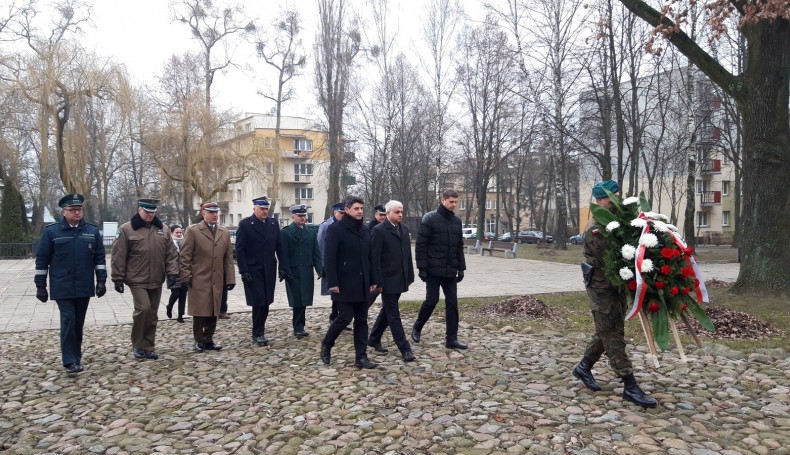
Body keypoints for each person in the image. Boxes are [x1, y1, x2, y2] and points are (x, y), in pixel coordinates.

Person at [573, 179, 658, 408]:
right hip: (601, 288)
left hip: (615, 286)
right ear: (601, 200)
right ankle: (630, 385)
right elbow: (615, 257)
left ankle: (583, 367)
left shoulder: (613, 221)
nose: (617, 201)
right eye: (612, 198)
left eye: (618, 196)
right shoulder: (596, 228)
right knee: (613, 334)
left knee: (607, 329)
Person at [34, 194, 106, 373]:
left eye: (79, 209)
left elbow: (100, 258)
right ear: (63, 212)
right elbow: (42, 260)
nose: (77, 212)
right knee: (68, 320)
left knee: (78, 323)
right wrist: (40, 286)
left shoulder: (92, 231)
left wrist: (101, 281)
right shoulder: (52, 232)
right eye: (73, 210)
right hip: (62, 286)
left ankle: (76, 357)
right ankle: (69, 360)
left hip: (83, 285)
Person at [111, 198, 179, 360]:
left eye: (152, 212)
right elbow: (118, 255)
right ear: (139, 210)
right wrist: (117, 277)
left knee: (153, 314)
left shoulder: (163, 229)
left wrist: (172, 274)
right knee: (144, 309)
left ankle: (148, 346)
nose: (149, 215)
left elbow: (171, 254)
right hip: (136, 278)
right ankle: (138, 344)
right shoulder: (126, 229)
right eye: (146, 212)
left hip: (156, 277)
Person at [320, 195, 378, 369]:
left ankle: (361, 357)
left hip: (362, 283)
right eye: (356, 209)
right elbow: (329, 259)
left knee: (362, 319)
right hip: (344, 282)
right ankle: (327, 344)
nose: (360, 212)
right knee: (344, 318)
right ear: (347, 210)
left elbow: (370, 257)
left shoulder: (366, 230)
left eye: (361, 208)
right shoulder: (335, 229)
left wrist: (373, 279)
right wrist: (333, 282)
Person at [412, 189, 467, 350]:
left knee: (452, 303)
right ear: (443, 200)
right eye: (451, 201)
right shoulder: (430, 218)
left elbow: (459, 246)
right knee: (432, 300)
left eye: (456, 202)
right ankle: (417, 326)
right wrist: (422, 268)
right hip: (433, 269)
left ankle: (451, 338)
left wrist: (461, 268)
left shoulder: (457, 221)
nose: (454, 205)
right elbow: (421, 245)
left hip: (450, 269)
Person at [179, 202, 236, 352]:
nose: (215, 215)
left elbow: (228, 259)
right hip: (199, 277)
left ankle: (209, 338)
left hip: (217, 278)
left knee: (214, 309)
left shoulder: (223, 232)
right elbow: (185, 256)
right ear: (203, 213)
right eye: (211, 212)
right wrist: (186, 276)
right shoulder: (194, 231)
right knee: (200, 310)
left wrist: (230, 278)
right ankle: (199, 339)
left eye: (216, 212)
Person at [235, 196, 290, 346]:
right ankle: (258, 333)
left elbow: (280, 247)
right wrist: (243, 270)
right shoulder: (246, 224)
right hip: (253, 270)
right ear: (255, 209)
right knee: (258, 302)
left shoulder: (273, 224)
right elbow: (239, 250)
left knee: (266, 302)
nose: (265, 211)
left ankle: (260, 330)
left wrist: (283, 267)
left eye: (266, 209)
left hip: (269, 269)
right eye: (262, 209)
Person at [368, 200, 416, 362]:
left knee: (387, 311)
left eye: (401, 212)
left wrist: (410, 275)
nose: (400, 215)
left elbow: (407, 256)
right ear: (388, 214)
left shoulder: (404, 230)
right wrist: (377, 282)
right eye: (397, 212)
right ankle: (404, 348)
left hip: (400, 278)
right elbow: (374, 259)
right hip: (386, 280)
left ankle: (374, 338)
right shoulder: (379, 230)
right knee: (394, 315)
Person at [281, 204, 324, 338]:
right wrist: (284, 270)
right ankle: (298, 327)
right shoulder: (285, 232)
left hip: (306, 270)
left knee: (304, 299)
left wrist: (320, 269)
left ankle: (300, 326)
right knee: (296, 300)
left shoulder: (311, 232)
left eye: (304, 215)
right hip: (293, 272)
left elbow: (316, 253)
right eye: (299, 216)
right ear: (293, 216)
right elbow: (283, 254)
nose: (302, 218)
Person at [317, 202, 349, 329]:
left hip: (343, 265)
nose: (342, 215)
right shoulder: (326, 226)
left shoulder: (346, 225)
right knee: (335, 292)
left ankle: (340, 317)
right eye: (341, 213)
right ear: (334, 212)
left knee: (343, 292)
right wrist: (323, 265)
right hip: (331, 264)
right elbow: (320, 246)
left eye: (344, 213)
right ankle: (334, 317)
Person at [166, 225, 187, 323]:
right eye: (176, 232)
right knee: (175, 293)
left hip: (184, 272)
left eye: (180, 232)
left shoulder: (186, 242)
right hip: (172, 272)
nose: (179, 234)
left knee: (183, 294)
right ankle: (169, 306)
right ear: (172, 233)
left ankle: (180, 315)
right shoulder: (169, 243)